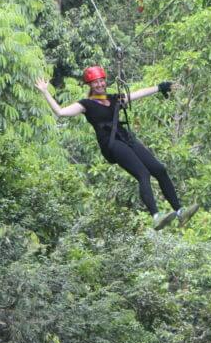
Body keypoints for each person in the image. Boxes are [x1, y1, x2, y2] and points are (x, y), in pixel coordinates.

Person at [36, 66, 198, 229]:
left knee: (159, 169)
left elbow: (137, 93)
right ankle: (156, 216)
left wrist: (160, 87)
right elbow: (61, 112)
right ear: (90, 85)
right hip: (111, 144)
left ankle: (180, 212)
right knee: (143, 174)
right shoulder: (86, 104)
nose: (99, 84)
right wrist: (45, 91)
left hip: (126, 138)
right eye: (95, 82)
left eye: (101, 81)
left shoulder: (114, 99)